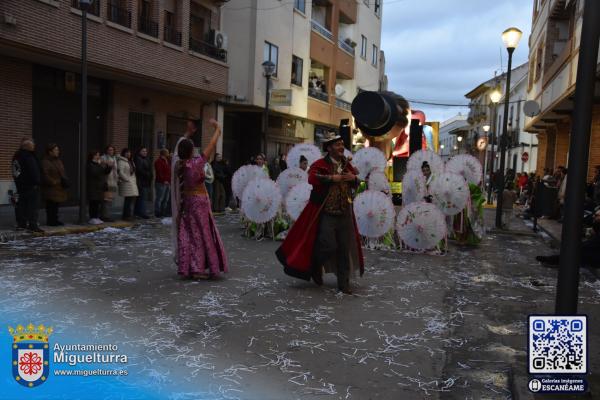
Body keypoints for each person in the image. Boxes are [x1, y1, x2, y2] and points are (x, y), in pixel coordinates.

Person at [276, 133, 364, 294]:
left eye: (342, 144)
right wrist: (332, 178)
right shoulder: (320, 164)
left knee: (344, 248)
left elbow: (357, 182)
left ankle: (343, 285)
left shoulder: (347, 164)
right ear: (329, 148)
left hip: (345, 212)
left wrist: (353, 178)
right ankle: (315, 266)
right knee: (327, 245)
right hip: (326, 213)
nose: (341, 147)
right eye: (337, 145)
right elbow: (312, 178)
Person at [174, 119, 228, 279]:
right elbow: (211, 145)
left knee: (190, 233)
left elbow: (178, 149)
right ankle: (201, 267)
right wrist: (218, 129)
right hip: (200, 201)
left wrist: (187, 134)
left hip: (188, 201)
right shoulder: (196, 163)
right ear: (191, 151)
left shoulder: (179, 164)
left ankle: (191, 266)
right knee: (202, 233)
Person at [171, 118, 200, 260]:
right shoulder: (191, 165)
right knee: (190, 232)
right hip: (190, 203)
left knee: (184, 230)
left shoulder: (181, 165)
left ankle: (184, 259)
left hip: (185, 202)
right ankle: (189, 260)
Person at [12, 138, 43, 232]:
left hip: (20, 186)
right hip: (31, 186)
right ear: (26, 146)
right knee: (32, 207)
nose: (34, 146)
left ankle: (22, 224)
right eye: (32, 145)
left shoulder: (16, 156)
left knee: (22, 206)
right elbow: (34, 171)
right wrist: (38, 182)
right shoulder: (28, 157)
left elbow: (15, 171)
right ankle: (33, 225)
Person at [41, 143, 68, 226]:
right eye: (55, 150)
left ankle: (55, 220)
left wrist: (64, 180)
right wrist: (54, 182)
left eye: (58, 150)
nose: (58, 151)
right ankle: (51, 221)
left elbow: (62, 172)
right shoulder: (45, 161)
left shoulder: (58, 160)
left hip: (59, 187)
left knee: (56, 205)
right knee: (51, 205)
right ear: (50, 152)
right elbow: (45, 174)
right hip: (51, 187)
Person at [87, 150, 112, 225]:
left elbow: (104, 172)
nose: (98, 156)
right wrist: (100, 165)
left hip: (100, 186)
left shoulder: (99, 164)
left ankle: (96, 217)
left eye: (99, 155)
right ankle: (92, 218)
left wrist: (109, 166)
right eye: (97, 155)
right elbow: (95, 172)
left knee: (98, 202)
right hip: (93, 186)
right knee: (93, 202)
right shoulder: (91, 164)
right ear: (93, 156)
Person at [117, 148, 138, 221]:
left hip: (132, 182)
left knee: (131, 200)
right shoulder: (121, 161)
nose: (128, 154)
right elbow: (120, 172)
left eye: (129, 152)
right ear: (124, 153)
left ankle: (129, 215)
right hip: (127, 182)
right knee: (128, 200)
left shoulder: (131, 161)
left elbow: (133, 171)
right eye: (126, 153)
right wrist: (127, 179)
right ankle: (126, 216)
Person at [100, 145, 118, 222]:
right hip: (107, 181)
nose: (111, 151)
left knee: (110, 200)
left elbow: (115, 170)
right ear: (106, 150)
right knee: (106, 200)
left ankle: (107, 215)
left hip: (113, 181)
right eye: (109, 150)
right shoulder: (103, 158)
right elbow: (103, 168)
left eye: (112, 150)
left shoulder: (114, 158)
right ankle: (105, 216)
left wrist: (117, 178)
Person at [134, 147, 152, 219]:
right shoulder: (138, 159)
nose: (145, 152)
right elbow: (139, 170)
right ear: (139, 152)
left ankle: (139, 212)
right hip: (141, 181)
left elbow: (149, 169)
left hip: (146, 181)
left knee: (142, 198)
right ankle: (142, 213)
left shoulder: (146, 159)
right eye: (143, 151)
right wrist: (147, 174)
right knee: (142, 198)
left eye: (146, 151)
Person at [154, 148, 171, 218]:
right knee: (160, 198)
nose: (168, 153)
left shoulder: (167, 160)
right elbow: (159, 172)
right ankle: (157, 212)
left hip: (168, 182)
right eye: (167, 152)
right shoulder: (158, 161)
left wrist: (169, 180)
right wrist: (164, 180)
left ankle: (163, 211)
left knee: (166, 198)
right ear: (164, 153)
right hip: (161, 182)